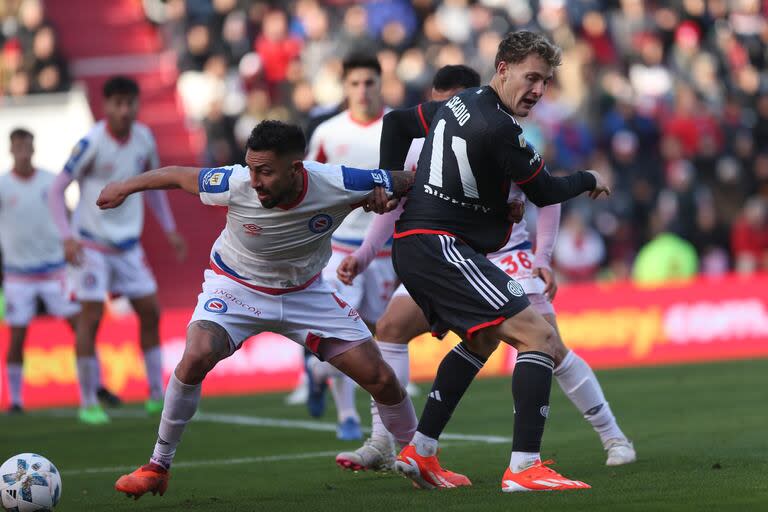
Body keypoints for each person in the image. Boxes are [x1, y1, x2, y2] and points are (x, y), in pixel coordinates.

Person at [105, 120, 417, 500]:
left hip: (305, 294)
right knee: (196, 355)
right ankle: (157, 465)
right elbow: (175, 176)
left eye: (265, 171)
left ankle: (421, 459)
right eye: (251, 168)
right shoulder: (234, 183)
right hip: (237, 288)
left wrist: (385, 193)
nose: (254, 180)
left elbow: (405, 179)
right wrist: (123, 187)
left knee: (381, 379)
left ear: (295, 169)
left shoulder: (338, 180)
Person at [379, 31, 610, 491]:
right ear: (502, 68)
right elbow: (545, 192)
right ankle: (525, 467)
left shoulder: (458, 103)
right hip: (438, 247)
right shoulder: (501, 128)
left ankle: (421, 452)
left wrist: (391, 181)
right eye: (531, 78)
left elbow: (398, 124)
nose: (539, 90)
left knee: (482, 340)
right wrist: (588, 177)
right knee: (540, 337)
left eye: (545, 81)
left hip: (426, 246)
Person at [336, 166, 635, 471]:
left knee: (550, 346)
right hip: (450, 255)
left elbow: (547, 192)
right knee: (391, 327)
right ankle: (383, 441)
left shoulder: (500, 135)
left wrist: (542, 256)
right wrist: (364, 254)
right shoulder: (424, 143)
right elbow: (398, 203)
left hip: (505, 256)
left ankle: (613, 437)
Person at [47, 76, 187, 425]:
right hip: (91, 244)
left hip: (127, 245)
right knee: (91, 318)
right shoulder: (92, 142)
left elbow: (155, 187)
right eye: (117, 104)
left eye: (130, 103)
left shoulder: (143, 138)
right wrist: (66, 236)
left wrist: (169, 228)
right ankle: (88, 400)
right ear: (106, 105)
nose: (124, 110)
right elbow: (56, 189)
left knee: (151, 311)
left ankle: (156, 394)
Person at [299, 52, 394, 440]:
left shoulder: (397, 127)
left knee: (376, 335)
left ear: (380, 84)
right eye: (354, 83)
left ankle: (317, 371)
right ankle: (347, 417)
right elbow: (308, 183)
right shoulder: (328, 132)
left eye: (369, 82)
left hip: (386, 251)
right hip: (339, 251)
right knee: (344, 333)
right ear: (344, 87)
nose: (362, 90)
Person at [0, 128, 80, 414]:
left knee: (79, 326)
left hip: (54, 270)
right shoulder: (3, 186)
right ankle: (16, 400)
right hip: (17, 274)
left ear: (33, 148)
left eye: (27, 144)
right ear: (11, 149)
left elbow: (68, 216)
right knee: (18, 335)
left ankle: (92, 390)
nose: (23, 149)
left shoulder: (50, 182)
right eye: (18, 144)